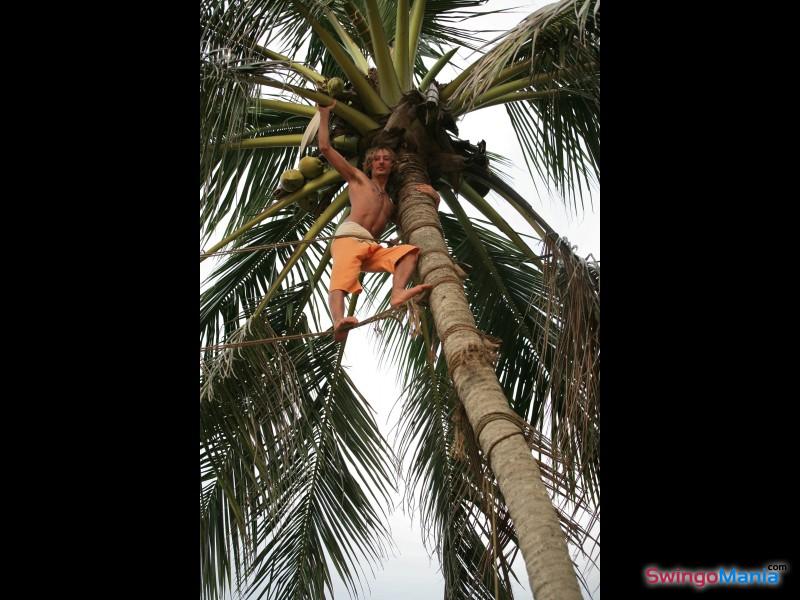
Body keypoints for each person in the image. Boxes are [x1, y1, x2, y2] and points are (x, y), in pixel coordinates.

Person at [317, 100, 440, 341]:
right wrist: (323, 115)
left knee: (409, 252)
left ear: (393, 165)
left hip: (371, 248)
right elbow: (325, 148)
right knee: (342, 279)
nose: (382, 162)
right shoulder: (358, 180)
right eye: (377, 159)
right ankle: (338, 321)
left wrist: (434, 198)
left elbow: (414, 222)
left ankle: (397, 293)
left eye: (386, 159)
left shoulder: (391, 204)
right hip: (349, 237)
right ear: (370, 164)